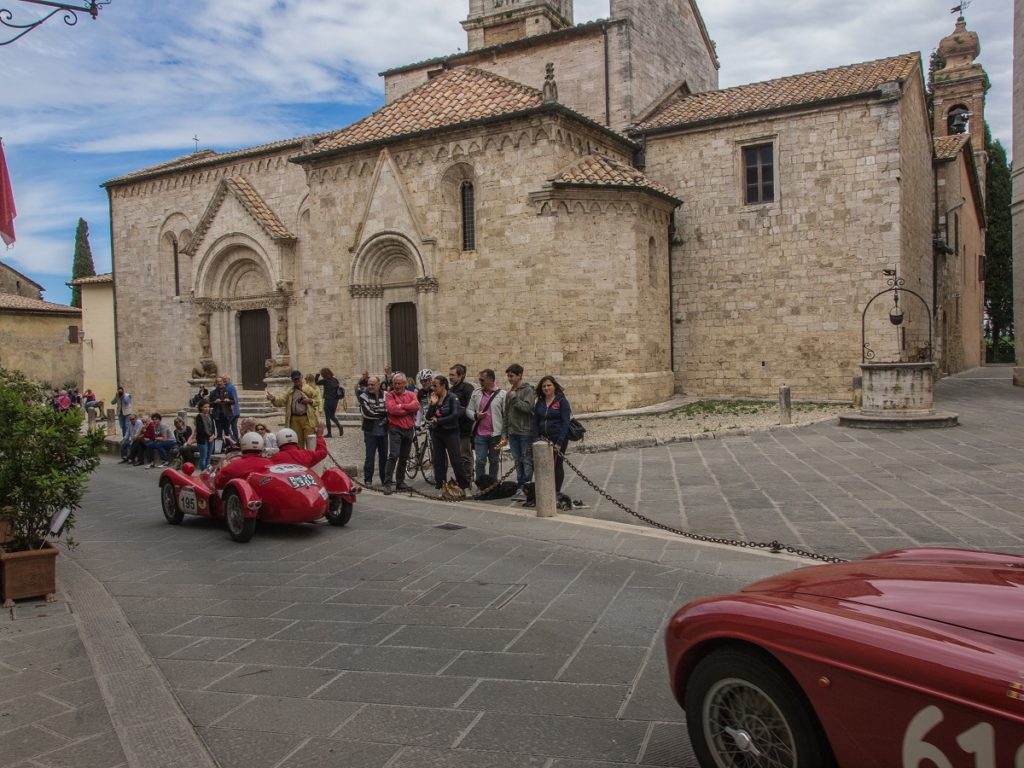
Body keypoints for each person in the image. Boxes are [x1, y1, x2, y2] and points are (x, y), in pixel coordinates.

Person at [427, 375, 471, 492]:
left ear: (443, 385)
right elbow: (428, 416)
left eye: (435, 386)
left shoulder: (452, 397)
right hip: (437, 433)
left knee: (456, 460)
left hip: (451, 432)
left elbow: (454, 415)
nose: (433, 388)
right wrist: (432, 404)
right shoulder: (434, 398)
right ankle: (440, 485)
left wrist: (439, 420)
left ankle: (464, 485)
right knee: (438, 461)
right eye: (432, 386)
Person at [467, 369, 506, 488]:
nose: (480, 382)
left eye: (482, 380)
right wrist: (475, 416)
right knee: (480, 461)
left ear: (491, 380)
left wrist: (505, 436)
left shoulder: (502, 395)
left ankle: (493, 485)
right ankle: (481, 485)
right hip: (480, 434)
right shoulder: (476, 393)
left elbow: (506, 416)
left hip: (497, 435)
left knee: (494, 460)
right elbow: (468, 409)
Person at [381, 371, 419, 493]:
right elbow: (392, 410)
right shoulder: (389, 395)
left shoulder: (412, 394)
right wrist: (408, 408)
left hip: (409, 429)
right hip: (395, 428)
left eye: (399, 383)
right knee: (393, 455)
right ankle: (387, 483)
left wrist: (401, 406)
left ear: (404, 384)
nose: (396, 386)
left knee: (404, 457)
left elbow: (416, 406)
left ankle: (400, 481)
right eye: (395, 383)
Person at [534, 375, 572, 495]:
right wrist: (535, 438)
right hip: (542, 439)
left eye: (549, 385)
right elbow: (535, 422)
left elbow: (566, 422)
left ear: (554, 386)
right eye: (544, 386)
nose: (546, 388)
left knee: (557, 465)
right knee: (543, 465)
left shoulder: (562, 401)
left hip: (558, 438)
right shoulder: (539, 402)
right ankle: (545, 490)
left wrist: (559, 442)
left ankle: (556, 491)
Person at [502, 364, 536, 498]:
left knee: (527, 460)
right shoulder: (510, 392)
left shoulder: (528, 390)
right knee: (517, 461)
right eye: (508, 376)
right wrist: (504, 432)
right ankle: (520, 486)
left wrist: (515, 398)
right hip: (512, 432)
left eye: (512, 376)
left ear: (520, 375)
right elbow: (506, 414)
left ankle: (527, 486)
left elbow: (528, 408)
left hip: (525, 432)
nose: (509, 379)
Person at [266, 370, 320, 448]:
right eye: (295, 379)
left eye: (298, 379)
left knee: (310, 442)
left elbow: (318, 401)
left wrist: (310, 401)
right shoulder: (290, 391)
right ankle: (300, 459)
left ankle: (311, 458)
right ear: (292, 380)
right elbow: (281, 401)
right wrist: (273, 399)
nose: (297, 381)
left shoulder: (309, 389)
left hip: (308, 418)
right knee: (297, 443)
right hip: (294, 419)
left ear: (301, 378)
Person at [358, 375, 388, 487]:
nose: (370, 386)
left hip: (384, 431)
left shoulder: (386, 395)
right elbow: (367, 413)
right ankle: (368, 479)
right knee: (370, 456)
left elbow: (388, 409)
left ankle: (385, 479)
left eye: (372, 384)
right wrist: (383, 414)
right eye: (369, 384)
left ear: (378, 385)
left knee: (384, 456)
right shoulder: (363, 396)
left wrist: (379, 411)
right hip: (370, 431)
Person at [448, 364, 475, 481]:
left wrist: (456, 411)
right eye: (449, 375)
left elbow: (470, 407)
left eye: (453, 375)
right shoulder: (451, 390)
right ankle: (461, 479)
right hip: (453, 428)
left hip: (465, 428)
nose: (450, 377)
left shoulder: (467, 388)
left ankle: (467, 479)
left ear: (461, 375)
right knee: (456, 456)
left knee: (465, 456)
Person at [315, 367, 345, 438]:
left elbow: (316, 382)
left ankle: (329, 433)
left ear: (324, 374)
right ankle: (339, 426)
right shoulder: (335, 379)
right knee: (332, 415)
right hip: (335, 400)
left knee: (328, 417)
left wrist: (317, 375)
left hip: (328, 400)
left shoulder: (325, 380)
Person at [210, 376, 235, 446]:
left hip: (226, 414)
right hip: (218, 415)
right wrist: (215, 402)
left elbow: (233, 401)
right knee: (219, 432)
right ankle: (219, 448)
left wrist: (228, 400)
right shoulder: (212, 393)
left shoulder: (228, 391)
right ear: (216, 383)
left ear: (223, 382)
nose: (219, 383)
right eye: (218, 382)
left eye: (220, 381)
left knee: (227, 431)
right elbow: (209, 404)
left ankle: (228, 446)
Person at [194, 402, 216, 470]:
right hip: (203, 439)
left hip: (210, 438)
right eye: (205, 407)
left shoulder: (210, 415)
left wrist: (213, 435)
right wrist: (208, 436)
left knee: (209, 456)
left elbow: (213, 426)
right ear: (201, 408)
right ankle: (203, 471)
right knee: (203, 456)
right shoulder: (199, 416)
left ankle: (207, 471)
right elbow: (200, 429)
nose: (207, 409)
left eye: (208, 407)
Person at [223, 375, 241, 442]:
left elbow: (234, 399)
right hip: (235, 411)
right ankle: (235, 438)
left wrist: (233, 410)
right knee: (233, 426)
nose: (224, 380)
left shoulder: (229, 387)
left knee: (228, 426)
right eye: (223, 379)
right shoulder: (229, 386)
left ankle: (233, 438)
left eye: (225, 379)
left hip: (232, 411)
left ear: (229, 379)